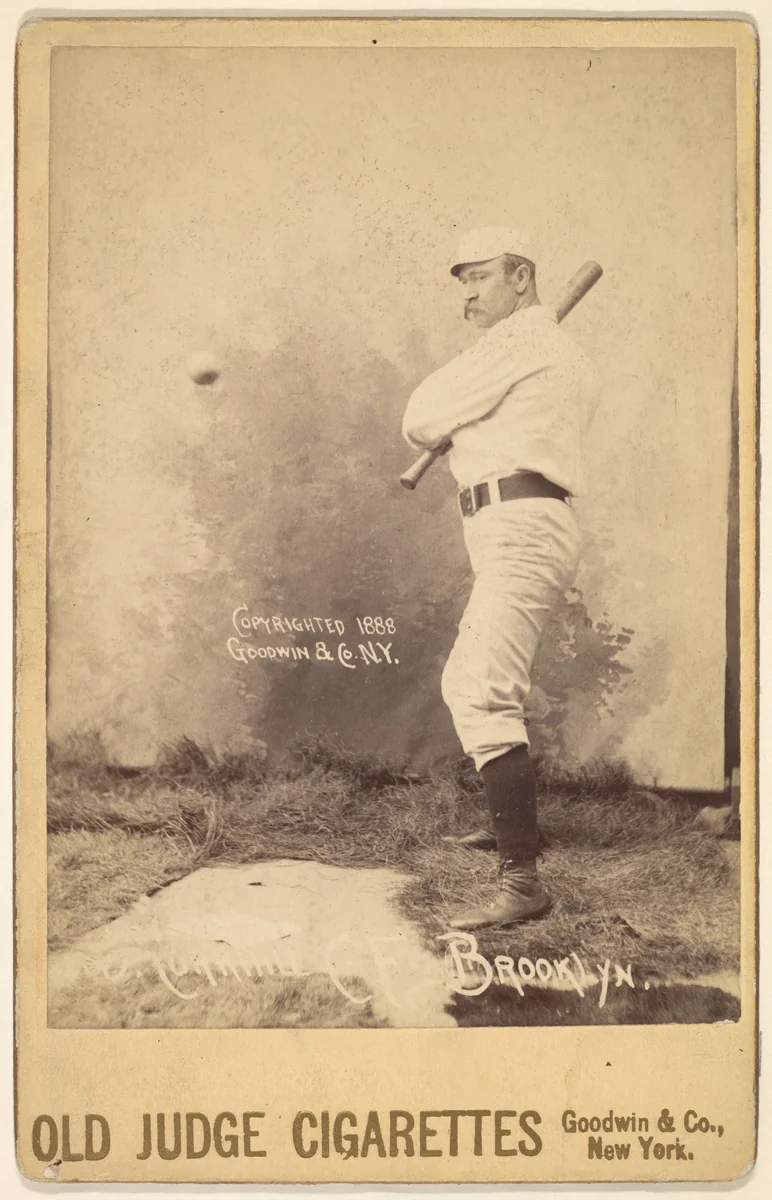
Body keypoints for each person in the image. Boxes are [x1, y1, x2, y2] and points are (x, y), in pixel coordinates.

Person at [402, 227, 601, 930]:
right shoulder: (546, 351)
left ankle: (522, 880)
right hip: (514, 523)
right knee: (485, 682)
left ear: (521, 277)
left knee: (478, 687)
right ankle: (513, 826)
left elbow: (420, 418)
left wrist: (461, 405)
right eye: (461, 280)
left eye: (480, 277)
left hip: (519, 522)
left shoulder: (520, 344)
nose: (468, 292)